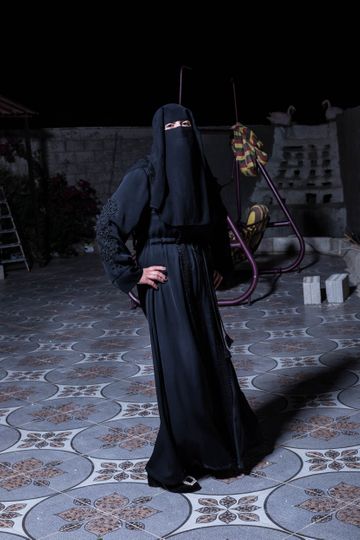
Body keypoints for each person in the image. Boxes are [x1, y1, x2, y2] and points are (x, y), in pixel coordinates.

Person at [96, 103, 259, 493]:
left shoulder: (200, 173)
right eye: (171, 126)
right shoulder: (145, 174)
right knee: (182, 368)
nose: (180, 133)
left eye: (186, 125)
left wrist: (220, 263)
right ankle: (170, 466)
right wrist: (134, 273)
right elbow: (107, 225)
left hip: (198, 273)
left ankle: (221, 452)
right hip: (164, 279)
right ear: (159, 132)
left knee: (210, 360)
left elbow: (218, 223)